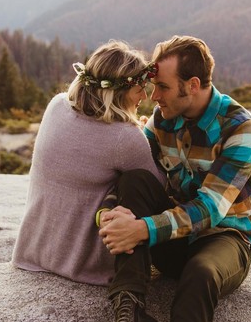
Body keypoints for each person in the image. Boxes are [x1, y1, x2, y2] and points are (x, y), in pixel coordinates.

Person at [96, 35, 251, 322]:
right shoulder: (163, 118)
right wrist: (108, 217)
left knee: (201, 274)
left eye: (163, 86)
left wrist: (141, 230)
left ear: (193, 85)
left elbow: (208, 210)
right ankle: (131, 315)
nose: (154, 95)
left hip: (225, 238)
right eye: (153, 85)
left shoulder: (241, 129)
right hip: (173, 236)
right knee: (137, 177)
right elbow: (127, 185)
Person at [12, 40, 163, 286]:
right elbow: (155, 189)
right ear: (119, 92)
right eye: (140, 88)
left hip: (34, 251)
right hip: (82, 264)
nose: (145, 96)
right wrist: (150, 138)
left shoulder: (57, 105)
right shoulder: (124, 137)